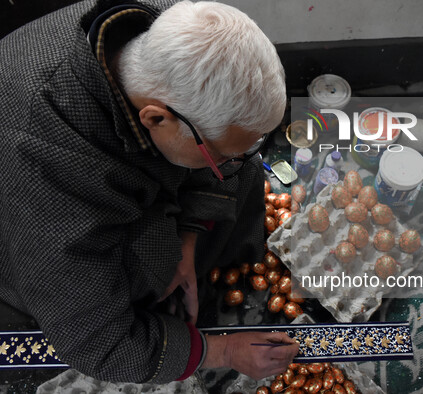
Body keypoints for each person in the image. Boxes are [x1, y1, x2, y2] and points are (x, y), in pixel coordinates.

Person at [0, 0, 299, 384]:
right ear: (155, 118)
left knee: (241, 174)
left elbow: (223, 162)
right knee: (147, 272)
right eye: (220, 152)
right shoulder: (44, 158)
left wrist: (188, 240)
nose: (230, 161)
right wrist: (221, 350)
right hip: (30, 231)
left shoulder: (171, 26)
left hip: (137, 160)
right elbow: (98, 342)